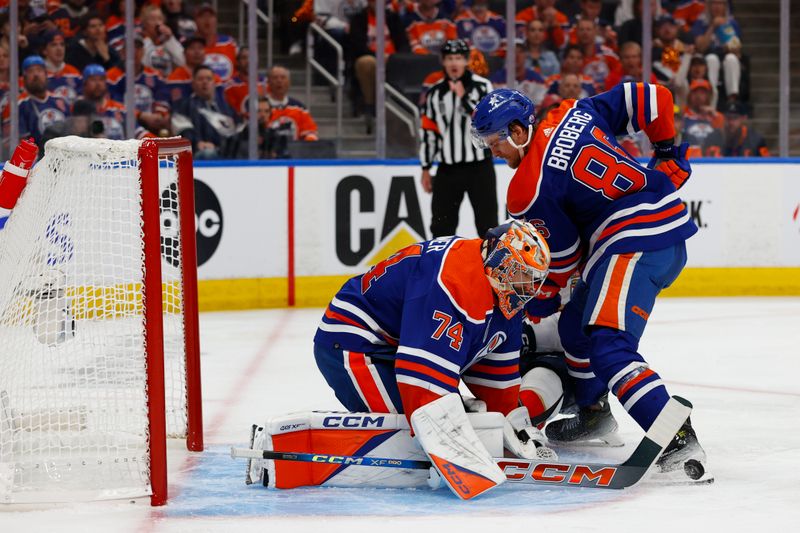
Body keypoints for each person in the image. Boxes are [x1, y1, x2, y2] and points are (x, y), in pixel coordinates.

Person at [470, 85, 709, 481]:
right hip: (654, 231)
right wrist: (665, 151)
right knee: (574, 330)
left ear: (516, 130)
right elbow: (654, 97)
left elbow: (561, 262)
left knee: (609, 346)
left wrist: (539, 302)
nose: (493, 152)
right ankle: (594, 413)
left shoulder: (526, 189)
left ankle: (678, 438)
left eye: (495, 142)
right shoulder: (571, 111)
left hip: (631, 243)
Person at [302, 221, 555, 496]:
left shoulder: (502, 292)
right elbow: (422, 387)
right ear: (500, 261)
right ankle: (309, 447)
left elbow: (497, 376)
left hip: (401, 339)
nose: (526, 288)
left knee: (448, 419)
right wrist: (450, 438)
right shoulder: (454, 282)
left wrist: (508, 424)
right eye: (520, 275)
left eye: (531, 280)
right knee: (411, 435)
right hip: (356, 343)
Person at [419, 39, 496, 239]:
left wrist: (464, 97)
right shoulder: (435, 92)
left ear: (467, 60)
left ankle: (492, 269)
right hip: (448, 169)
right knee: (441, 226)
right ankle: (441, 268)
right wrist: (426, 168)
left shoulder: (483, 86)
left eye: (459, 58)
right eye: (450, 58)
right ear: (443, 62)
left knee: (487, 225)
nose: (454, 63)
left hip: (479, 167)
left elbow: (488, 122)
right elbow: (429, 131)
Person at [2, 55, 70, 149]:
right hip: (36, 159)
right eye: (30, 71)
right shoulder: (18, 106)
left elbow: (72, 133)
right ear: (24, 78)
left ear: (46, 75)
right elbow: (17, 144)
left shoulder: (61, 100)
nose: (36, 75)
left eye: (39, 70)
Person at [106, 36, 171, 136]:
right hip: (125, 122)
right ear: (122, 52)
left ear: (143, 51)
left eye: (138, 48)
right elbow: (114, 104)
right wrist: (140, 115)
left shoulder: (154, 75)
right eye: (130, 48)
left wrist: (160, 114)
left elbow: (162, 97)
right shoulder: (112, 77)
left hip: (153, 122)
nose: (134, 51)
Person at [172, 65, 238, 159]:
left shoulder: (226, 108)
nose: (205, 82)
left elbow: (235, 131)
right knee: (208, 154)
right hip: (197, 154)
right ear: (193, 83)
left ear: (214, 83)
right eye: (200, 79)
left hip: (226, 154)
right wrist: (197, 143)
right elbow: (183, 131)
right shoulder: (183, 107)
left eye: (209, 79)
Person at [691, 0, 743, 102]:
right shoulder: (701, 22)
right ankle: (712, 98)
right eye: (714, 3)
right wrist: (712, 26)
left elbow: (737, 50)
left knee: (731, 59)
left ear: (725, 6)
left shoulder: (732, 23)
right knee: (712, 59)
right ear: (708, 5)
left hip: (726, 55)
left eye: (721, 3)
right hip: (707, 55)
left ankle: (732, 100)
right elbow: (701, 47)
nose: (717, 7)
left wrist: (730, 45)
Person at [75, 64, 127, 140]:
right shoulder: (78, 109)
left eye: (101, 79)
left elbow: (137, 131)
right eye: (93, 79)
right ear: (84, 83)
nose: (98, 84)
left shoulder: (119, 108)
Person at [489, 39, 547, 106]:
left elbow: (539, 106)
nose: (516, 55)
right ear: (506, 55)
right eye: (512, 51)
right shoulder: (496, 80)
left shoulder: (536, 79)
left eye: (520, 52)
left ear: (526, 54)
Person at [705, 100, 769, 158]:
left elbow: (767, 163)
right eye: (728, 118)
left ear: (743, 118)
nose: (731, 122)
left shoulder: (756, 140)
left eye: (735, 118)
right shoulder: (712, 138)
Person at [194, 3, 238, 82]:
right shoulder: (190, 46)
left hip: (228, 91)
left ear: (216, 20)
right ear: (195, 21)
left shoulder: (229, 43)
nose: (207, 20)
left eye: (210, 16)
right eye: (202, 16)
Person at [140, 4, 186, 77]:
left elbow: (183, 62)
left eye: (160, 19)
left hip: (167, 84)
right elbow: (142, 65)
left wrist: (170, 39)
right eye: (153, 19)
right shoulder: (141, 44)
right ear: (144, 24)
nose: (157, 23)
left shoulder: (169, 43)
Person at [41, 30, 82, 106]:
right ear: (44, 50)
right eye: (53, 45)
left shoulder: (74, 73)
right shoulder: (39, 74)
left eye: (62, 45)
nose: (59, 49)